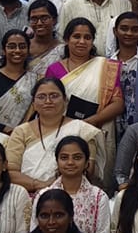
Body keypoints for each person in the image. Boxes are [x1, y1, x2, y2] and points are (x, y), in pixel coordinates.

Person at [47, 20, 123, 176]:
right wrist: (72, 126)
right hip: (62, 131)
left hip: (97, 129)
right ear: (66, 39)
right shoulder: (54, 70)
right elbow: (47, 103)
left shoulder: (106, 67)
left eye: (87, 37)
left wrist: (90, 122)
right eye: (76, 36)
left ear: (93, 41)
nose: (82, 41)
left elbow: (118, 103)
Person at [6, 78, 100, 192]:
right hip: (27, 194)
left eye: (54, 96)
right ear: (33, 104)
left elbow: (88, 169)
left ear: (65, 100)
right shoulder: (21, 132)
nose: (48, 101)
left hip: (71, 193)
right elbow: (10, 172)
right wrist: (40, 185)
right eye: (41, 97)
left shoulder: (82, 130)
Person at [0, 29, 39, 131]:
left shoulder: (35, 80)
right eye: (12, 47)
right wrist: (5, 129)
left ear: (28, 50)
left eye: (22, 47)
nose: (17, 50)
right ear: (3, 50)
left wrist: (19, 133)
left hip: (25, 135)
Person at [106, 11, 138, 129]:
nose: (129, 33)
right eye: (124, 29)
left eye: (134, 29)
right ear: (115, 31)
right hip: (111, 125)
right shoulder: (107, 63)